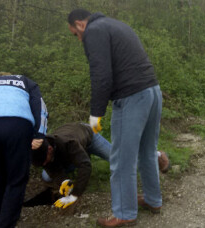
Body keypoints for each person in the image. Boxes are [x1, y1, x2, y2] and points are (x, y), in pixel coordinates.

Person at [68, 9, 164, 227]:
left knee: (121, 160)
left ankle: (125, 213)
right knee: (148, 150)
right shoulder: (117, 25)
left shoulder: (93, 31)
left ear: (79, 24)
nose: (78, 38)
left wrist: (96, 113)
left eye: (75, 34)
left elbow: (101, 74)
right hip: (153, 91)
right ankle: (153, 200)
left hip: (131, 97)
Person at [30, 122, 170, 209]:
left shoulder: (68, 143)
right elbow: (52, 169)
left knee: (119, 160)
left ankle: (156, 155)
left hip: (89, 136)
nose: (44, 164)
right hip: (75, 147)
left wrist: (75, 195)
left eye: (45, 160)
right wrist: (64, 181)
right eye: (41, 163)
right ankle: (80, 159)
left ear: (50, 150)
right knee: (47, 176)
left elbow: (86, 166)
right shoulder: (41, 150)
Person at [0, 72, 48, 228]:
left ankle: (0, 214)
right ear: (11, 76)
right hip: (17, 123)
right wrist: (39, 133)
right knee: (17, 178)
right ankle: (4, 224)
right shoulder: (25, 81)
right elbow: (39, 105)